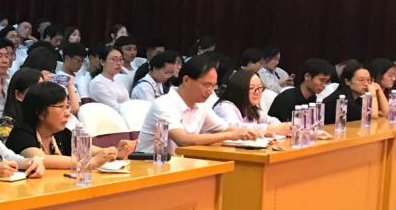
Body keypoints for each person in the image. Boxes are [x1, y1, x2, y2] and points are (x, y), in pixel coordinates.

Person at [138, 55, 266, 155]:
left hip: (179, 166)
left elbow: (226, 128)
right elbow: (183, 140)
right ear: (186, 80)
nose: (210, 91)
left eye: (213, 86)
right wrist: (231, 136)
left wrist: (249, 133)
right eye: (206, 85)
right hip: (150, 167)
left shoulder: (201, 106)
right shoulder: (163, 104)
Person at [10, 81, 135, 170]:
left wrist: (115, 152)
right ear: (40, 112)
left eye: (67, 106)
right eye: (61, 107)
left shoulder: (61, 132)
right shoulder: (21, 133)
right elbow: (41, 159)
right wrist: (90, 163)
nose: (67, 113)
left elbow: (90, 150)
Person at [213, 69, 289, 131]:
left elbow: (271, 121)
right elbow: (234, 127)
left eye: (260, 88)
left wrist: (284, 127)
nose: (257, 92)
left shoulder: (250, 108)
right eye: (252, 88)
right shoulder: (224, 107)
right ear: (239, 90)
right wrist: (268, 129)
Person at [268, 58, 334, 121]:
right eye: (321, 80)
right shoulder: (287, 98)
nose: (324, 85)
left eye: (327, 82)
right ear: (307, 76)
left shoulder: (313, 98)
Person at [322, 60, 387, 123]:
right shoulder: (341, 98)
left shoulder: (357, 99)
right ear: (347, 81)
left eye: (368, 80)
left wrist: (379, 90)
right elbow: (372, 115)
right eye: (361, 80)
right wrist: (372, 94)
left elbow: (386, 113)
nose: (366, 83)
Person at [88, 46, 129, 111]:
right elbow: (114, 108)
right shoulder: (98, 83)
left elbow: (128, 102)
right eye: (114, 59)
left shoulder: (117, 81)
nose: (118, 63)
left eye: (120, 59)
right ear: (102, 62)